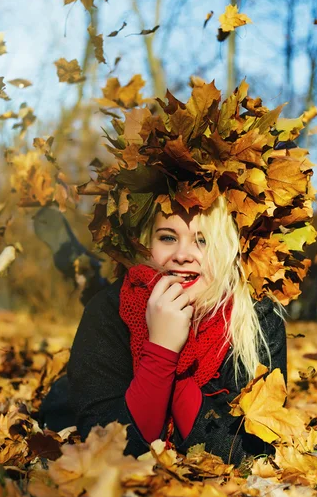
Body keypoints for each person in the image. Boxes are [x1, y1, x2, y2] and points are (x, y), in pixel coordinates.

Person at [67, 195, 287, 466]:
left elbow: (251, 455)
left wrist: (178, 364)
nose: (182, 256)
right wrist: (161, 350)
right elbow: (107, 449)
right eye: (168, 238)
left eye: (203, 240)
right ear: (147, 243)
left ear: (230, 249)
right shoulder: (108, 310)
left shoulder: (259, 319)